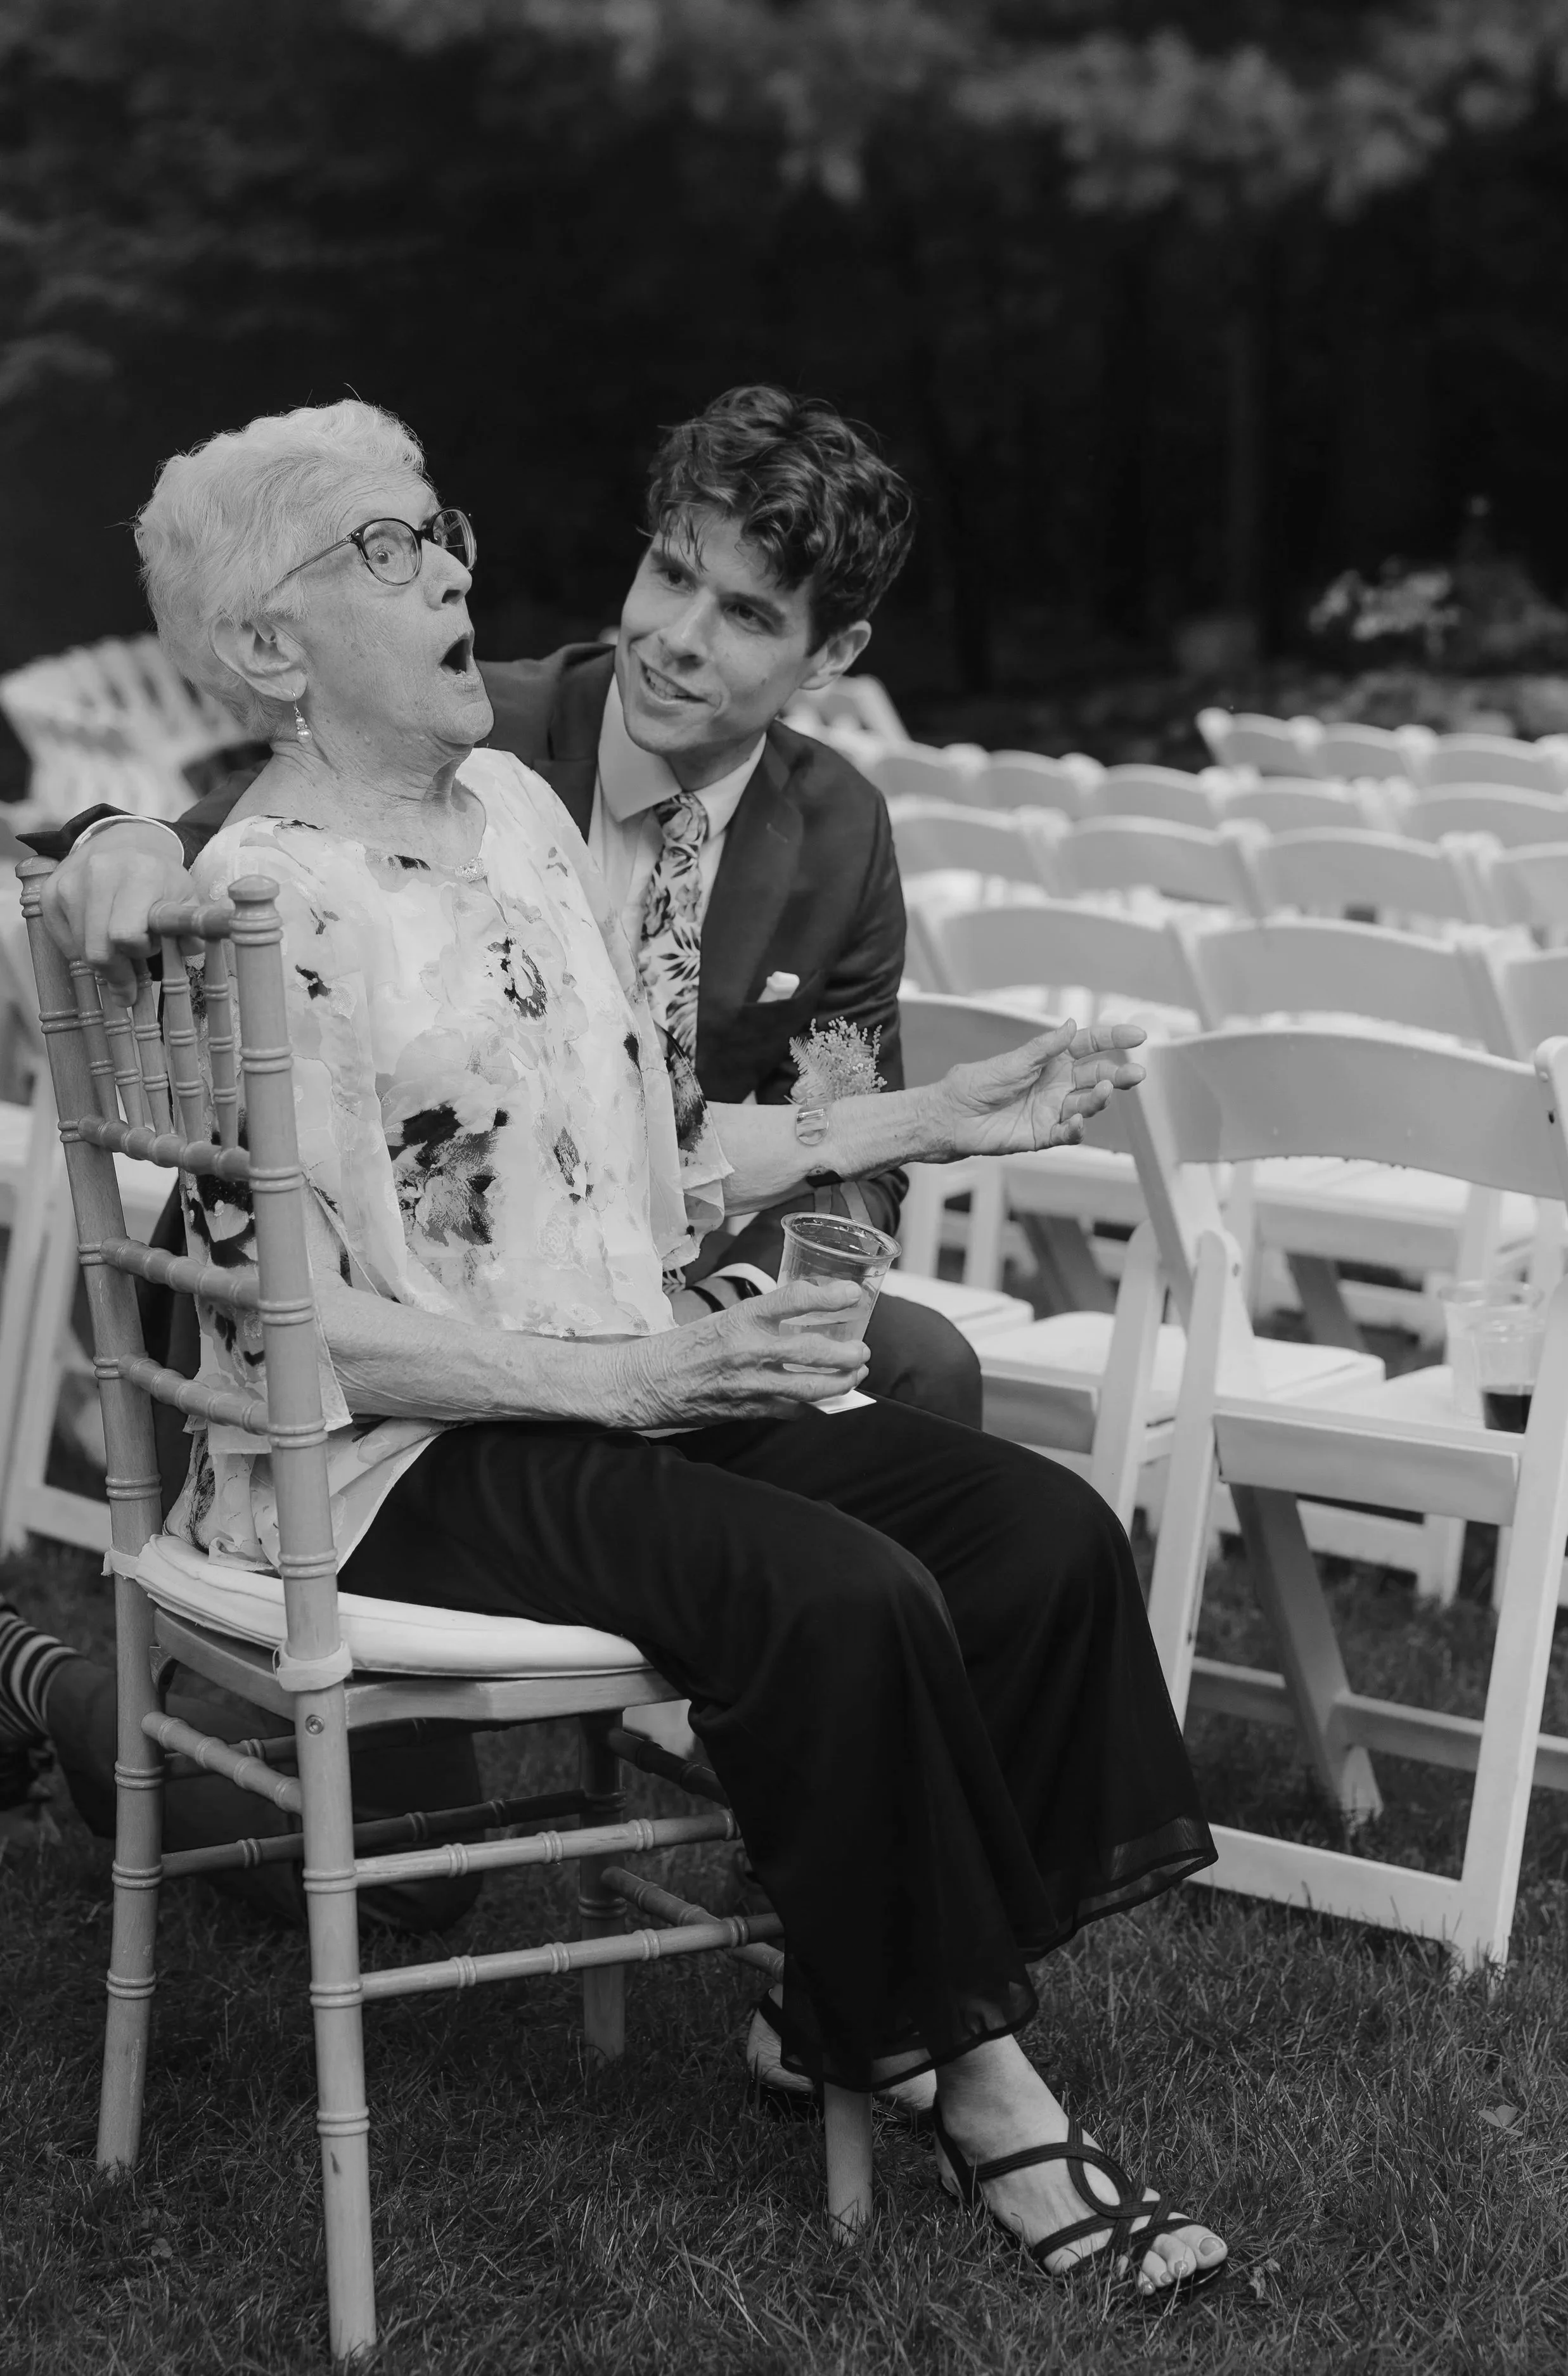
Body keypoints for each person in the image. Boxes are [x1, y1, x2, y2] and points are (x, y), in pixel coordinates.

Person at [2, 400, 1226, 2300]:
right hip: (403, 1453)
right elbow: (301, 1334)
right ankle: (981, 2083)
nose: (453, 568)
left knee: (1038, 1531)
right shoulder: (271, 902)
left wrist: (922, 1117)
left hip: (590, 1380)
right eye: (390, 550)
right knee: (831, 1591)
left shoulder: (511, 809)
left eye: (441, 528)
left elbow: (637, 1150)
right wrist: (637, 1386)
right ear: (268, 643)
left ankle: (849, 1993)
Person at [34, 383, 979, 1430]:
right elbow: (247, 834)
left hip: (686, 1263)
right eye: (671, 576)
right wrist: (126, 837)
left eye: (749, 616)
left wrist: (726, 1303)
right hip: (409, 1303)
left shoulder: (843, 832)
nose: (678, 638)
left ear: (834, 656)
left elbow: (848, 1131)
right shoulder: (476, 726)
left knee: (930, 1370)